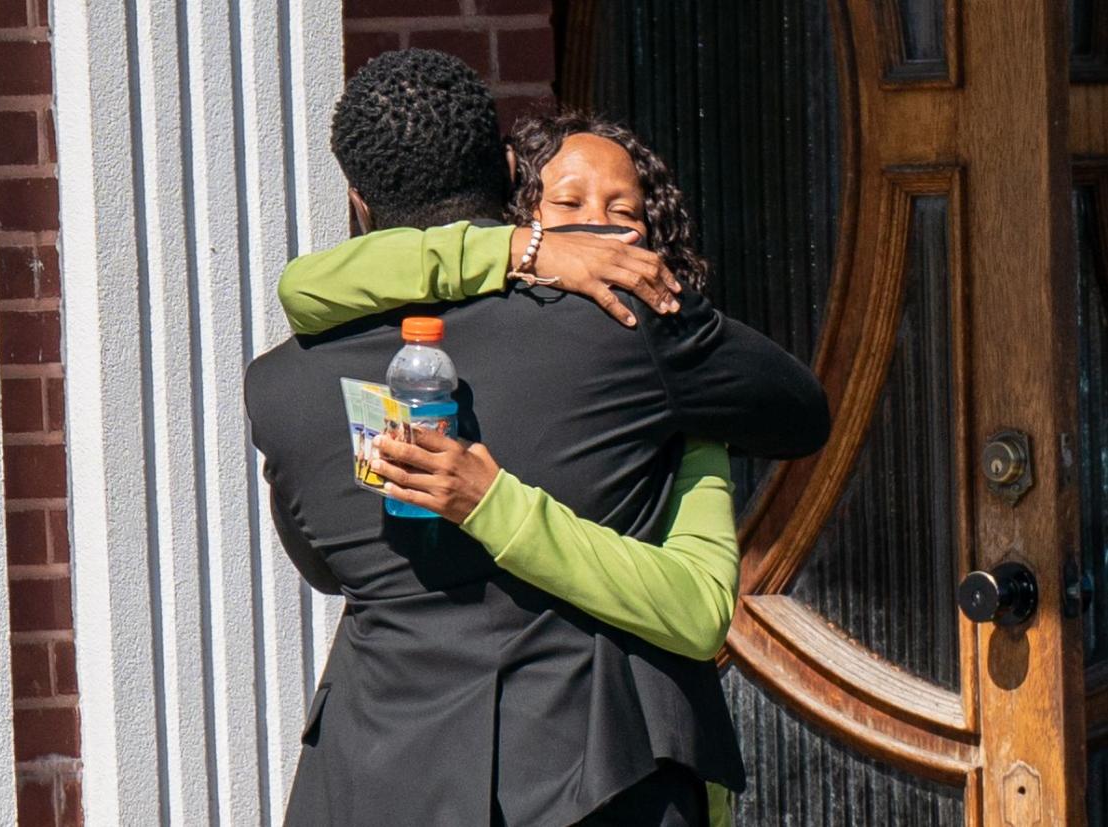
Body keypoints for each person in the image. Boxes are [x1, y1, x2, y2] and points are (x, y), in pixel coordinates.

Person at [245, 50, 829, 826]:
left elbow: (322, 564)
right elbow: (798, 414)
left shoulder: (280, 386)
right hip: (593, 774)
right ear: (509, 168)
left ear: (357, 200)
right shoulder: (624, 327)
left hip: (371, 777)